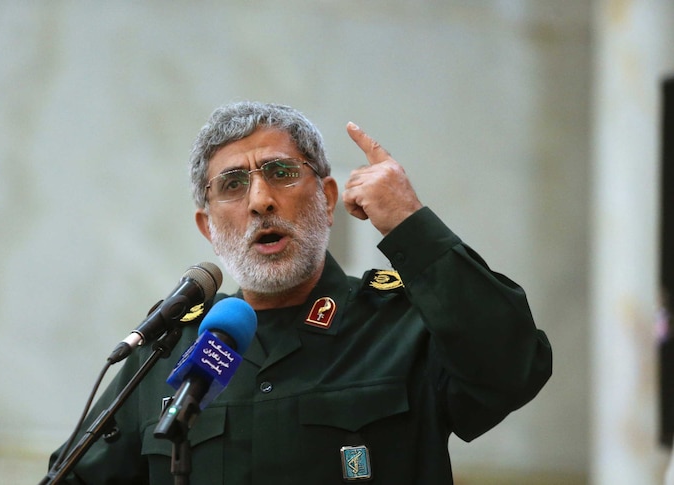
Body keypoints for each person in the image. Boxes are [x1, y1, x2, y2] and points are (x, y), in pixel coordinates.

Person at [48, 101, 553, 484]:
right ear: (208, 227)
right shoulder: (170, 350)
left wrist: (409, 223)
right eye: (232, 185)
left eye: (282, 173)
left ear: (327, 199)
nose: (261, 200)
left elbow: (514, 366)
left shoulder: (406, 324)